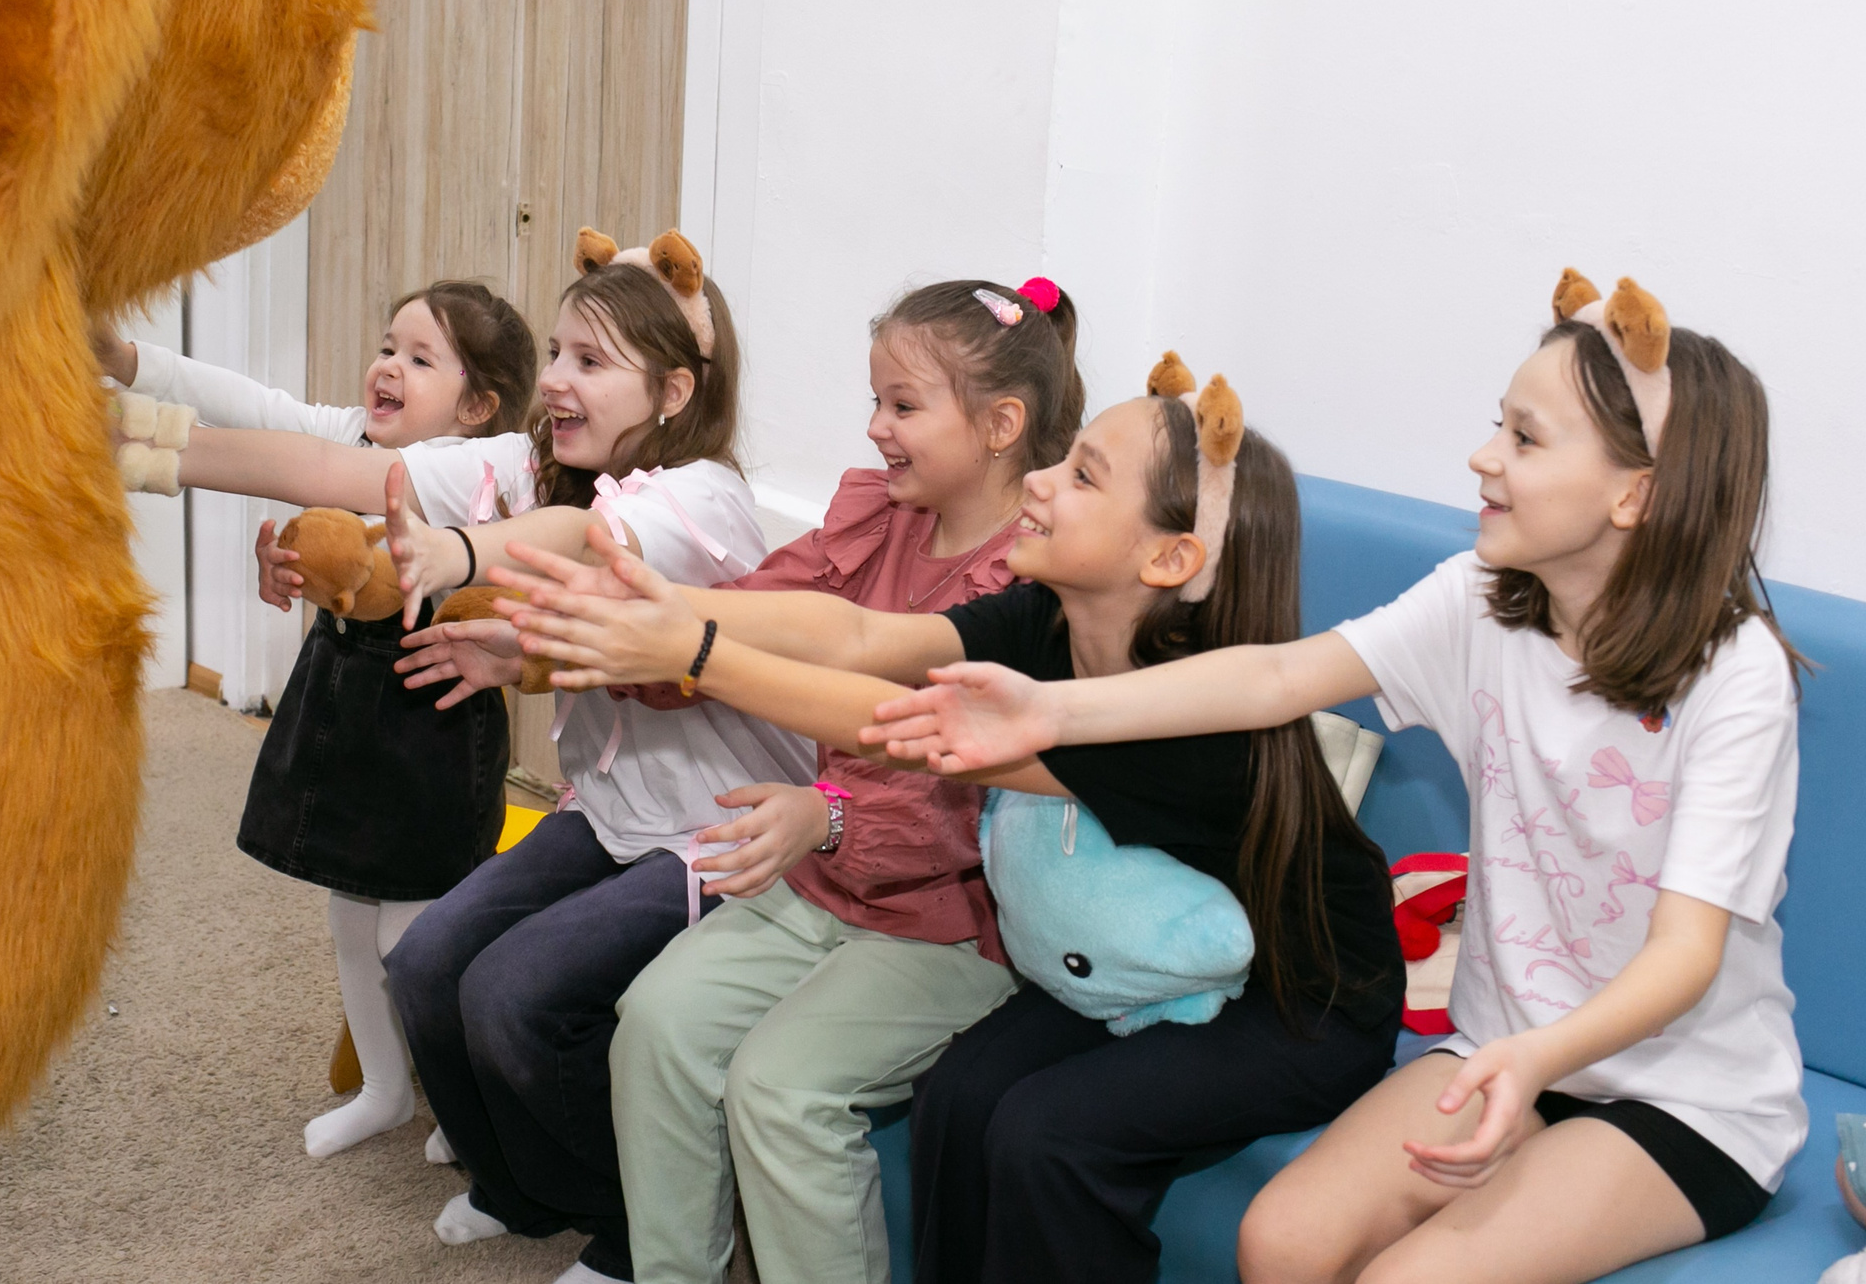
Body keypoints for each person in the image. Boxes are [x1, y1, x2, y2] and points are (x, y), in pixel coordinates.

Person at [869, 271, 1805, 1283]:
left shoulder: (1736, 670)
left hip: (1679, 1097)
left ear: (1637, 491)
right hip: (1506, 1045)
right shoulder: (1483, 601)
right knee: (1281, 1239)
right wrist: (1053, 708)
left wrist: (1533, 1059)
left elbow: (1686, 955)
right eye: (1499, 425)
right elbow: (1276, 675)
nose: (1482, 457)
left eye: (1525, 440)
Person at [500, 357, 1401, 1284]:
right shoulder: (1049, 618)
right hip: (1136, 965)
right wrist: (676, 606)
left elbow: (910, 736)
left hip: (1299, 1002)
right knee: (962, 1098)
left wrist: (694, 652)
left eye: (1082, 475)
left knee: (1046, 1139)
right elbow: (861, 639)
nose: (1042, 481)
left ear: (1168, 559)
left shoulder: (1190, 718)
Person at [174, 232, 803, 1284]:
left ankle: (643, 1227)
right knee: (424, 961)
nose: (554, 378)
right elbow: (339, 463)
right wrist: (141, 443)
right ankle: (517, 1183)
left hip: (716, 832)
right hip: (606, 816)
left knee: (514, 993)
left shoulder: (700, 498)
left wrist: (460, 555)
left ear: (675, 388)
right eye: (555, 351)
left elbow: (573, 540)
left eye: (590, 360)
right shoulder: (541, 462)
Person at [96, 281, 535, 1158]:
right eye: (387, 345)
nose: (388, 366)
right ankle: (384, 1090)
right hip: (347, 710)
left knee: (411, 929)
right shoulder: (352, 435)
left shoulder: (477, 472)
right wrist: (125, 360)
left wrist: (140, 437)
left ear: (478, 405)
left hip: (434, 727)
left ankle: (456, 1104)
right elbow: (247, 402)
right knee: (348, 913)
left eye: (420, 358)